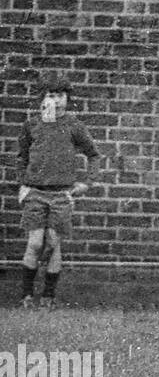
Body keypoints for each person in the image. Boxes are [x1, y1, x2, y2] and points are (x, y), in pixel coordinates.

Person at [15, 73, 99, 308]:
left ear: (67, 98)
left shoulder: (74, 126)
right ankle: (26, 295)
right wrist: (23, 183)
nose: (56, 100)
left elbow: (93, 155)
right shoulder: (31, 125)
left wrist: (87, 182)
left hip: (62, 194)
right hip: (35, 193)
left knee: (53, 243)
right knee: (34, 243)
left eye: (60, 95)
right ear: (43, 99)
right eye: (51, 95)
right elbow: (21, 156)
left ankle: (49, 295)